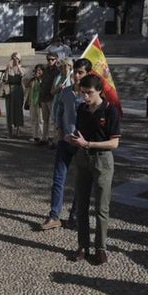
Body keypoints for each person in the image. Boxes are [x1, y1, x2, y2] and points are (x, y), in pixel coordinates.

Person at [69, 69, 121, 265]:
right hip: (82, 158)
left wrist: (88, 144)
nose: (85, 96)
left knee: (101, 207)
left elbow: (114, 143)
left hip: (102, 160)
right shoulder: (82, 109)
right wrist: (74, 139)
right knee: (81, 204)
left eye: (89, 92)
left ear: (99, 91)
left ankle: (101, 248)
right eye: (82, 92)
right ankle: (83, 245)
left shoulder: (110, 110)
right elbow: (80, 133)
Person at [37, 59, 85, 231]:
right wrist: (59, 131)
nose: (77, 76)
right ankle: (54, 215)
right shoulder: (66, 92)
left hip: (82, 144)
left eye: (81, 72)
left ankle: (74, 216)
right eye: (75, 72)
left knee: (80, 182)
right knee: (58, 179)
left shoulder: (89, 96)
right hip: (65, 141)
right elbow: (60, 111)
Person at [37, 52, 60, 146]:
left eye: (52, 59)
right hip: (43, 97)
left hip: (52, 98)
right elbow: (42, 84)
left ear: (56, 60)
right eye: (48, 59)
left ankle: (55, 139)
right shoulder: (45, 70)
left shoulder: (57, 71)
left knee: (54, 119)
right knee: (45, 119)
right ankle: (44, 138)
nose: (50, 61)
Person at [2, 52, 25, 138]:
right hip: (9, 89)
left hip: (18, 89)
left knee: (18, 110)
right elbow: (5, 79)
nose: (15, 60)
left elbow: (23, 75)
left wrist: (18, 67)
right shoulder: (9, 68)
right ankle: (10, 130)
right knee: (9, 110)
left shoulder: (21, 68)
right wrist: (8, 69)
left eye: (17, 58)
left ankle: (18, 130)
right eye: (14, 58)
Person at [25, 63, 45, 142]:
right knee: (33, 119)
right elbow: (26, 84)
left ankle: (42, 136)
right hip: (32, 101)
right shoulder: (32, 80)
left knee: (41, 120)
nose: (38, 71)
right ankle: (35, 135)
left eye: (40, 70)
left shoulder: (43, 80)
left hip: (40, 103)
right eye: (36, 70)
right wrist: (32, 76)